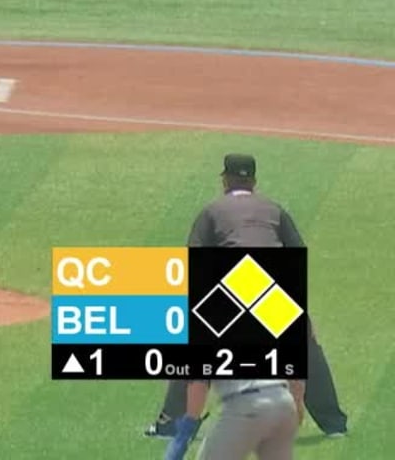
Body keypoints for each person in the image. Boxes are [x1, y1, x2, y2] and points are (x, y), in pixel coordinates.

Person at [145, 154, 350, 442]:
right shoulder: (274, 210)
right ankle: (334, 424)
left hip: (234, 282)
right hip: (268, 285)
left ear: (225, 180)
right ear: (253, 181)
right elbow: (296, 254)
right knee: (305, 348)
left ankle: (170, 425)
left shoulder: (212, 211)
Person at [162, 377, 303, 460]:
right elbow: (296, 380)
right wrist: (295, 407)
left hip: (246, 406)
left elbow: (199, 386)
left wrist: (185, 431)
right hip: (284, 403)